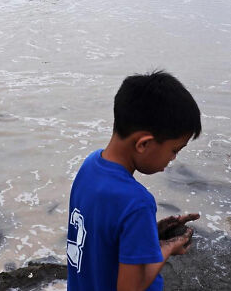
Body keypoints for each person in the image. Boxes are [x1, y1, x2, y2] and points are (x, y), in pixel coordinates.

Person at [67, 71, 202, 290]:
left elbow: (101, 236)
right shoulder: (136, 201)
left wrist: (151, 233)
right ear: (143, 144)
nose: (173, 158)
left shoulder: (89, 166)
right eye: (174, 149)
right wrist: (167, 248)